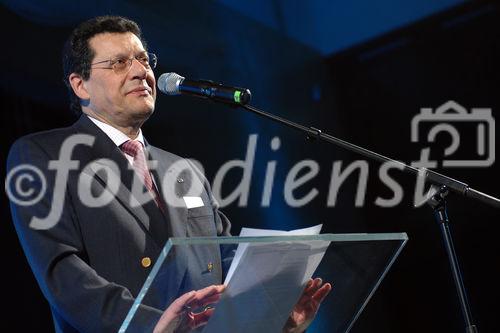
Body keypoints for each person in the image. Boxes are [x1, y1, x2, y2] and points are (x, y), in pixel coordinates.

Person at [7, 15, 331, 333]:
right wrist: (153, 327)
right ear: (80, 84)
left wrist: (275, 310)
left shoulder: (184, 170)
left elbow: (224, 258)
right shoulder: (45, 155)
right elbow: (64, 273)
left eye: (143, 59)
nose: (140, 72)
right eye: (119, 63)